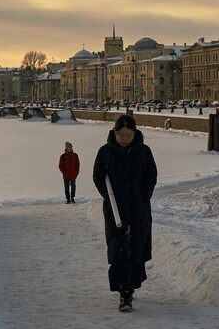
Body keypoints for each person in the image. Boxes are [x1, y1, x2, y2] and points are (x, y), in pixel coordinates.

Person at [93, 115, 158, 312]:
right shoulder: (105, 153)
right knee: (119, 249)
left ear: (135, 133)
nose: (125, 139)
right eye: (121, 135)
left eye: (129, 135)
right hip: (115, 211)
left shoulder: (144, 152)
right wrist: (110, 198)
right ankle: (124, 290)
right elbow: (97, 177)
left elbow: (151, 176)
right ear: (114, 132)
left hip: (139, 209)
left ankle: (129, 288)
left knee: (135, 249)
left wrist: (143, 197)